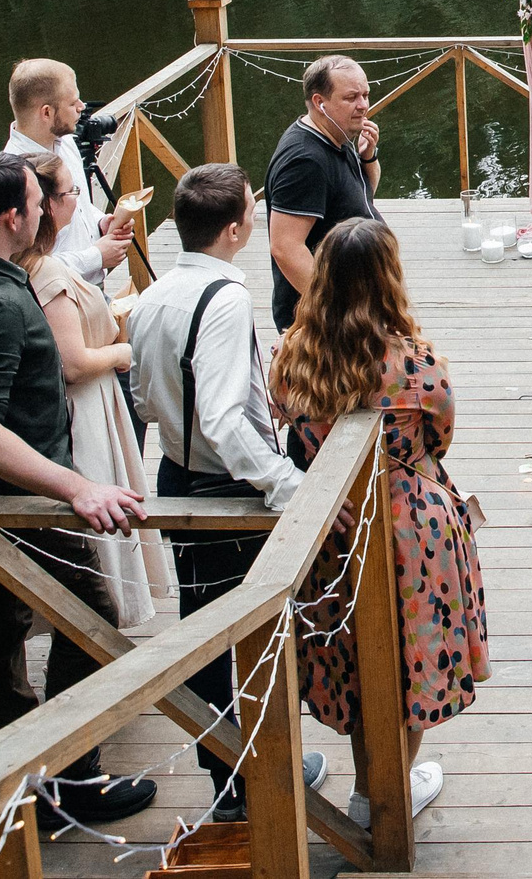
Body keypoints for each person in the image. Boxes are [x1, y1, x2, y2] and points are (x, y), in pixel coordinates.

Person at [0, 153, 155, 828]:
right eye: (39, 201)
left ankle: (27, 777)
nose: (51, 212)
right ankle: (71, 775)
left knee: (1, 632)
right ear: (11, 217)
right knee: (92, 617)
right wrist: (77, 485)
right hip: (10, 497)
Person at [273, 219, 480, 827]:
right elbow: (439, 438)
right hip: (412, 530)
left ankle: (370, 786)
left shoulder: (294, 354)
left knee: (352, 659)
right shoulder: (418, 363)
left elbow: (283, 420)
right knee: (409, 658)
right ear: (390, 278)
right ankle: (384, 797)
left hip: (331, 526)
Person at [129, 163, 321, 819]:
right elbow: (221, 416)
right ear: (236, 227)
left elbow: (144, 398)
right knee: (262, 629)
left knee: (203, 628)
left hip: (175, 475)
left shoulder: (153, 292)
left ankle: (230, 779)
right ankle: (255, 778)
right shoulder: (229, 297)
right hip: (225, 486)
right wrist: (283, 482)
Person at [18, 153, 169, 628]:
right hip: (84, 411)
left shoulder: (35, 263)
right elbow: (73, 363)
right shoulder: (49, 273)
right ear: (47, 206)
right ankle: (99, 624)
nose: (75, 201)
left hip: (89, 405)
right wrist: (124, 355)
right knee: (99, 532)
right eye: (69, 194)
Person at [266, 54, 381, 331]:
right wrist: (335, 310)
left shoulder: (336, 134)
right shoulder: (305, 161)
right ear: (320, 102)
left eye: (365, 94)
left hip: (358, 305)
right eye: (351, 97)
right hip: (325, 324)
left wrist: (368, 158)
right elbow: (285, 247)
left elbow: (362, 198)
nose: (363, 105)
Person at [3, 58, 135, 290]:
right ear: (46, 112)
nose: (82, 107)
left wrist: (100, 222)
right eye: (72, 103)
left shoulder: (65, 141)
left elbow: (80, 203)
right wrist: (96, 257)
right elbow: (24, 265)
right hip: (58, 296)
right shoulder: (16, 175)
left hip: (92, 287)